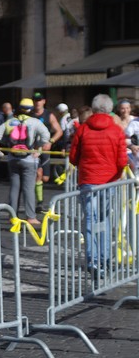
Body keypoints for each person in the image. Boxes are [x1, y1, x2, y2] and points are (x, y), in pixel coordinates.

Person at [69, 94, 127, 278]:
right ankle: (105, 258)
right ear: (110, 110)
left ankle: (93, 260)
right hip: (108, 181)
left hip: (88, 180)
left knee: (90, 220)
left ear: (93, 109)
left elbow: (73, 157)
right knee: (105, 219)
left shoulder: (83, 129)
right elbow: (122, 160)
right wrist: (116, 174)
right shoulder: (117, 131)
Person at [0, 98, 50, 225]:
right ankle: (30, 217)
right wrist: (38, 147)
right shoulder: (35, 122)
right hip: (29, 158)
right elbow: (46, 136)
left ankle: (13, 216)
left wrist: (6, 142)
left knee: (14, 188)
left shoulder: (11, 121)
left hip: (12, 158)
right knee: (28, 189)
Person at [30, 92, 63, 213]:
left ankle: (38, 197)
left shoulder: (49, 115)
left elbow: (59, 131)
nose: (37, 102)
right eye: (35, 100)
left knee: (45, 178)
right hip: (33, 150)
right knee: (38, 174)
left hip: (45, 149)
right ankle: (39, 203)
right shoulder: (30, 114)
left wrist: (50, 141)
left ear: (44, 101)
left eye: (39, 100)